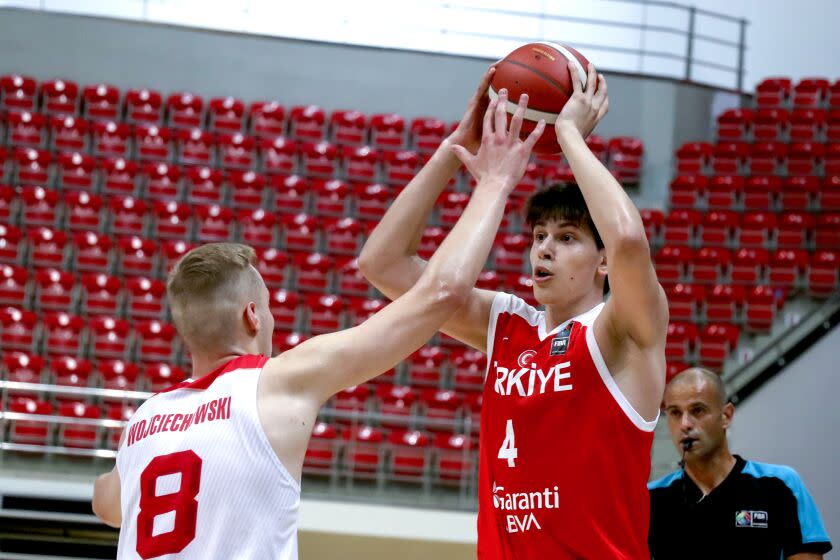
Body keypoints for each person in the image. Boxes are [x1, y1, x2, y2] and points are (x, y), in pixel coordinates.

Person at [90, 90, 546, 559]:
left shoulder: (145, 421)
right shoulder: (278, 381)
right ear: (252, 315)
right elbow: (440, 294)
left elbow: (106, 503)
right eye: (266, 306)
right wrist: (494, 182)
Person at [360, 62, 668, 559]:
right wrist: (453, 149)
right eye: (539, 237)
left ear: (603, 261)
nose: (543, 249)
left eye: (566, 238)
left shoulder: (625, 330)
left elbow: (630, 239)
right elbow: (383, 263)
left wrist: (569, 134)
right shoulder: (507, 324)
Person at [649, 367, 833, 559]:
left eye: (697, 410)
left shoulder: (781, 485)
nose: (685, 424)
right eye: (675, 413)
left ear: (726, 416)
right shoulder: (649, 500)